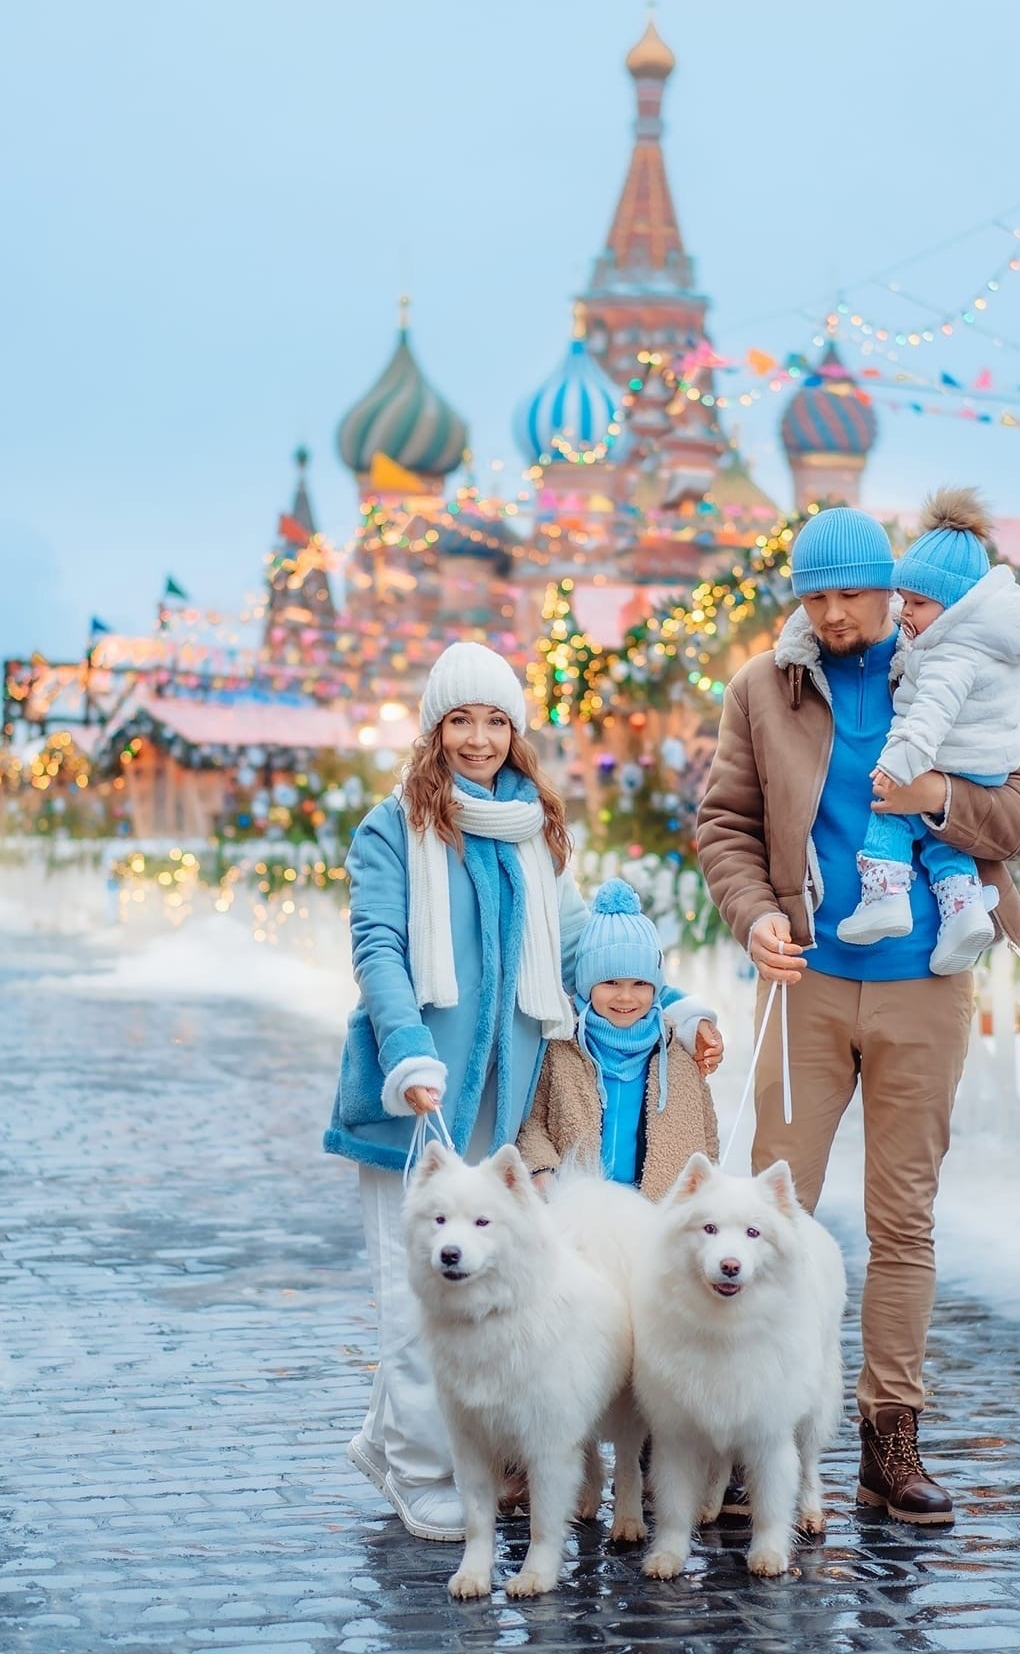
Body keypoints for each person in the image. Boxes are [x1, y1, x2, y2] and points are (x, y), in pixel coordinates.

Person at [696, 504, 1020, 1527]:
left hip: (925, 981)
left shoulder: (950, 661)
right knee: (769, 1216)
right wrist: (756, 914)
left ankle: (889, 1441)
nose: (832, 613)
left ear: (891, 590)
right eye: (814, 597)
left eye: (850, 593)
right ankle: (748, 1433)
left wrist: (938, 796)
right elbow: (723, 824)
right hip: (803, 982)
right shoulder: (761, 689)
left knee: (902, 1220)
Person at [323, 641, 590, 1543]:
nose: (478, 738)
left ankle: (385, 1440)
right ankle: (422, 1470)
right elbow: (379, 948)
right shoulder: (391, 828)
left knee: (478, 1295)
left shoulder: (531, 830)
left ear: (516, 731)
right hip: (415, 1102)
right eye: (461, 720)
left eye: (496, 721)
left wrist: (667, 1001)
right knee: (416, 1301)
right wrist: (407, 1052)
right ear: (434, 729)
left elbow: (575, 942)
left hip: (502, 1104)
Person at [836, 487, 1020, 974]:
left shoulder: (948, 656)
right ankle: (964, 910)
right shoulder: (991, 645)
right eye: (903, 600)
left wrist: (898, 768)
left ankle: (885, 898)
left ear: (955, 607)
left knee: (891, 812)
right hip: (985, 764)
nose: (905, 612)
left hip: (949, 758)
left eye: (918, 603)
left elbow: (928, 716)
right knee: (944, 840)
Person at [517, 877, 723, 1200]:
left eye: (640, 983)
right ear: (587, 984)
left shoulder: (675, 1054)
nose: (626, 997)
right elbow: (530, 1121)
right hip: (575, 1204)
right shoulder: (562, 1048)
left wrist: (704, 1194)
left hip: (656, 1208)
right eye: (611, 982)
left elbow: (705, 1134)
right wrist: (542, 1170)